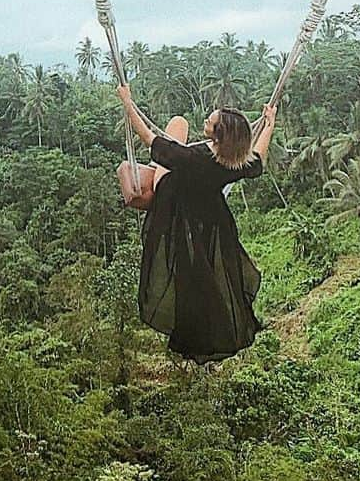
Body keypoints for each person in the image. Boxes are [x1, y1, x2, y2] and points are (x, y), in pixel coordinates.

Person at [117, 86, 276, 363]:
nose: (206, 121)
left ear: (218, 134)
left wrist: (128, 103)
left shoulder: (192, 158)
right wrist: (269, 124)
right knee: (179, 129)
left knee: (178, 124)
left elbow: (149, 140)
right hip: (208, 210)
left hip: (172, 193)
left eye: (210, 122)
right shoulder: (233, 160)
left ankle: (149, 178)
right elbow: (258, 159)